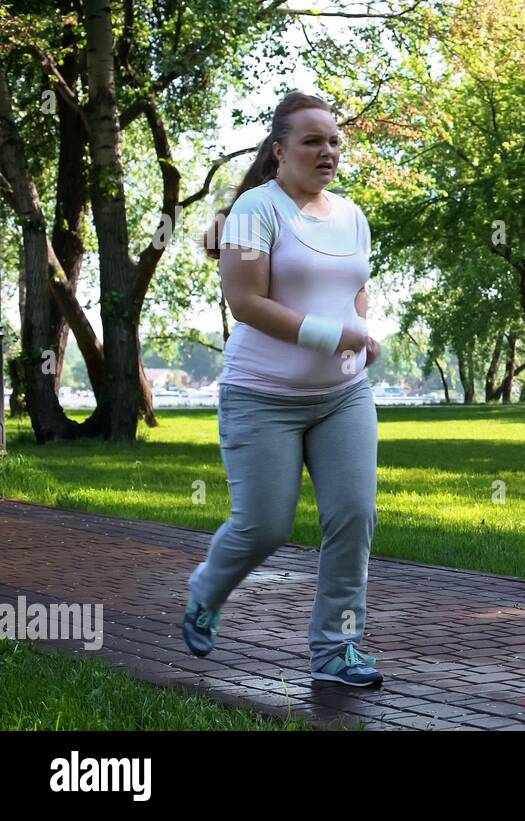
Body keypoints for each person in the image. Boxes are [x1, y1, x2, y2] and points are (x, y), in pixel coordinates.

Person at [183, 91, 385, 687]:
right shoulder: (255, 208)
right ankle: (206, 589)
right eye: (312, 141)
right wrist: (335, 335)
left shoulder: (352, 216)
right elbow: (245, 303)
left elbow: (355, 292)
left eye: (334, 142)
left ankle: (335, 651)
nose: (327, 151)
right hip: (262, 395)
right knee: (266, 525)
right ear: (279, 151)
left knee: (353, 517)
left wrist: (364, 333)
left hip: (344, 396)